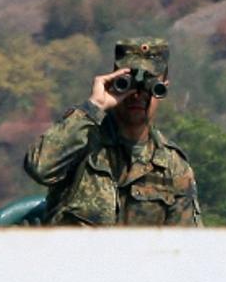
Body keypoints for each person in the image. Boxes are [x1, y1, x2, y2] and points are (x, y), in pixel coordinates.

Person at [24, 37, 202, 226]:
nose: (136, 94)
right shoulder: (82, 139)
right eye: (129, 81)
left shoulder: (172, 167)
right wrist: (94, 106)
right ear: (113, 79)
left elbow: (186, 244)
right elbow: (39, 168)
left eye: (149, 84)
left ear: (163, 87)